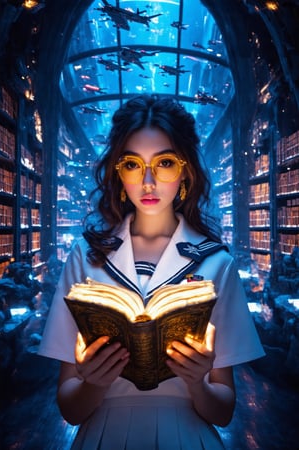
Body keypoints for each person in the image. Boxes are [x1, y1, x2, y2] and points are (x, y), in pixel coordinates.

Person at [38, 94, 265, 449]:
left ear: (186, 169)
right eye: (132, 164)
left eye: (164, 164)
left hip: (188, 437)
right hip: (102, 436)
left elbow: (223, 412)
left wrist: (197, 383)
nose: (147, 181)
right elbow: (69, 407)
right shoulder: (85, 257)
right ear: (117, 171)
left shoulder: (217, 263)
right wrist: (94, 384)